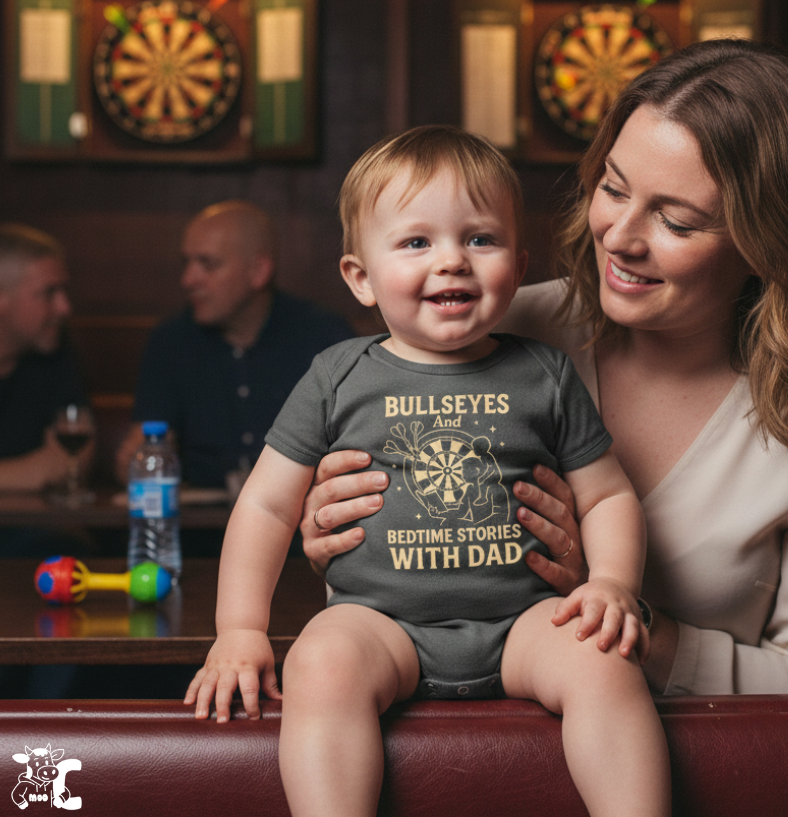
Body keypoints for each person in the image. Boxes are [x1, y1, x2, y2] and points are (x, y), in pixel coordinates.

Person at [300, 39, 788, 696]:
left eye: (675, 220)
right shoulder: (486, 323)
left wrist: (621, 615)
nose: (618, 234)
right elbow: (387, 594)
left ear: (769, 244)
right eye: (612, 187)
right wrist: (336, 532)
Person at [186, 126, 671, 817]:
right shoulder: (336, 375)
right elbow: (266, 506)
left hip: (524, 621)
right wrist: (239, 628)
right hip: (381, 624)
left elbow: (608, 495)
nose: (452, 262)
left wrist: (613, 583)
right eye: (417, 242)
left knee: (604, 663)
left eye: (480, 239)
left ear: (518, 261)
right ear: (359, 276)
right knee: (319, 662)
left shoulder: (545, 372)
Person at [115, 201, 354, 489]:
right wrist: (136, 460)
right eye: (187, 263)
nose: (188, 279)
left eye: (208, 264)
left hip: (303, 525)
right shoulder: (170, 342)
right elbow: (141, 459)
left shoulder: (324, 337)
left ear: (258, 271)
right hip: (199, 529)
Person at [0, 223, 89, 494]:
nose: (65, 307)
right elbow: (46, 470)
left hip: (35, 528)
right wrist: (28, 472)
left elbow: (72, 462)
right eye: (48, 293)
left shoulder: (56, 350)